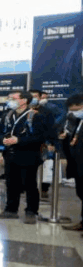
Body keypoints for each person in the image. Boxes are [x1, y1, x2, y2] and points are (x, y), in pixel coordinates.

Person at [0, 91, 45, 224]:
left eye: (14, 98)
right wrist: (3, 140)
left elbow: (40, 137)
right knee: (11, 184)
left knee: (30, 185)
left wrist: (19, 140)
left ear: (24, 101)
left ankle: (31, 211)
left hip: (28, 155)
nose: (10, 100)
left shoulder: (35, 116)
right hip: (10, 155)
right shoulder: (7, 115)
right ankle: (11, 210)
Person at [60, 94, 83, 231]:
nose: (74, 113)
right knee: (80, 192)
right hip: (78, 162)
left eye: (76, 109)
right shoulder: (79, 121)